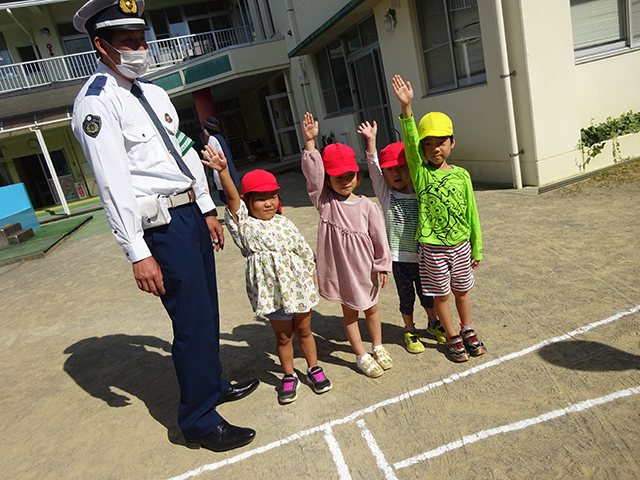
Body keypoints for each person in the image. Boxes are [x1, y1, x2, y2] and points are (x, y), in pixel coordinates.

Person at [70, 0, 258, 452]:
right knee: (190, 322)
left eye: (141, 38)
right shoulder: (97, 103)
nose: (139, 47)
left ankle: (211, 385)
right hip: (161, 227)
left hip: (190, 213)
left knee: (207, 310)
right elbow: (113, 184)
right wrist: (137, 252)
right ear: (102, 46)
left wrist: (209, 208)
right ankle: (197, 420)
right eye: (127, 42)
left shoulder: (151, 93)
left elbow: (185, 153)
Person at [201, 146, 332, 404]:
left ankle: (314, 369)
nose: (268, 202)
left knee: (305, 331)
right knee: (283, 336)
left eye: (272, 196)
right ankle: (288, 374)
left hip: (299, 287)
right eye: (260, 198)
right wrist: (224, 171)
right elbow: (231, 199)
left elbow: (303, 248)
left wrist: (312, 274)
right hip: (272, 293)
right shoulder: (245, 225)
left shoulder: (285, 222)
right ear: (248, 201)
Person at [392, 74, 486, 363]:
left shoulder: (462, 175)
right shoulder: (421, 174)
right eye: (428, 144)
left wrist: (476, 246)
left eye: (441, 142)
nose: (435, 148)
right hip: (433, 248)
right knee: (440, 295)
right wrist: (407, 110)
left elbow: (472, 212)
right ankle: (452, 335)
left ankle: (467, 328)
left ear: (452, 142)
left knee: (462, 291)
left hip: (461, 246)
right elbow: (409, 142)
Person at [301, 112, 393, 378]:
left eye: (350, 174)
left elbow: (379, 239)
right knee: (350, 314)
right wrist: (310, 144)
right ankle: (361, 354)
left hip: (366, 270)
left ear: (358, 175)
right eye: (337, 176)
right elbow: (314, 176)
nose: (345, 181)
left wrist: (382, 265)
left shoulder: (367, 206)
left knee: (372, 309)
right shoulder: (325, 203)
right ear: (328, 180)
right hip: (343, 273)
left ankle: (377, 345)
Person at [358, 121, 446, 354]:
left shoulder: (421, 191)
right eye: (390, 169)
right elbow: (375, 172)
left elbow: (420, 162)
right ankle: (410, 330)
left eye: (403, 167)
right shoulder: (387, 196)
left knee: (429, 295)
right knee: (406, 298)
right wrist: (371, 143)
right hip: (399, 260)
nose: (396, 173)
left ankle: (433, 323)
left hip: (425, 257)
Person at [202, 116, 240, 205]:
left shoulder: (212, 138)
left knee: (224, 197)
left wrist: (204, 155)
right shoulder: (220, 137)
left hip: (221, 170)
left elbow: (209, 153)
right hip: (228, 168)